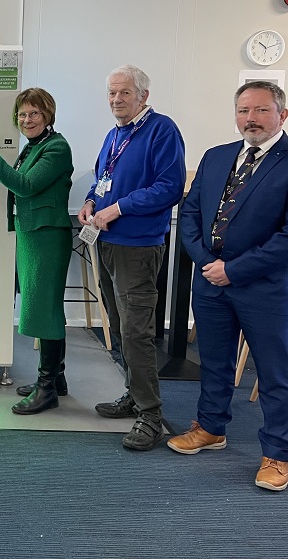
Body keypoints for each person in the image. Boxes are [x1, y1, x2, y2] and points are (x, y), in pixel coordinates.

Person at [169, 81, 288, 491]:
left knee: (275, 373)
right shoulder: (217, 156)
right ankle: (210, 428)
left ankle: (276, 454)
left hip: (265, 287)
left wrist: (234, 270)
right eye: (243, 110)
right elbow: (190, 214)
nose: (250, 119)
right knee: (215, 362)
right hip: (210, 282)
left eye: (260, 110)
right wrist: (208, 264)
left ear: (282, 115)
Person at [78, 65, 185, 450]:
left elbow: (170, 187)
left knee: (137, 332)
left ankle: (151, 416)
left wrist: (119, 208)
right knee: (121, 327)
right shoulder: (115, 133)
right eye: (111, 94)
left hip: (137, 246)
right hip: (106, 241)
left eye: (124, 93)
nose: (116, 100)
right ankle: (133, 394)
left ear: (143, 95)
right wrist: (92, 201)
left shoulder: (162, 130)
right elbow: (101, 177)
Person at [0, 88, 73, 415]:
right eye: (22, 114)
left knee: (44, 310)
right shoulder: (35, 146)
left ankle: (46, 388)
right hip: (32, 235)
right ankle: (56, 379)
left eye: (34, 114)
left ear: (48, 115)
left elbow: (24, 186)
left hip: (47, 237)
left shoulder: (56, 148)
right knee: (44, 307)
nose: (27, 120)